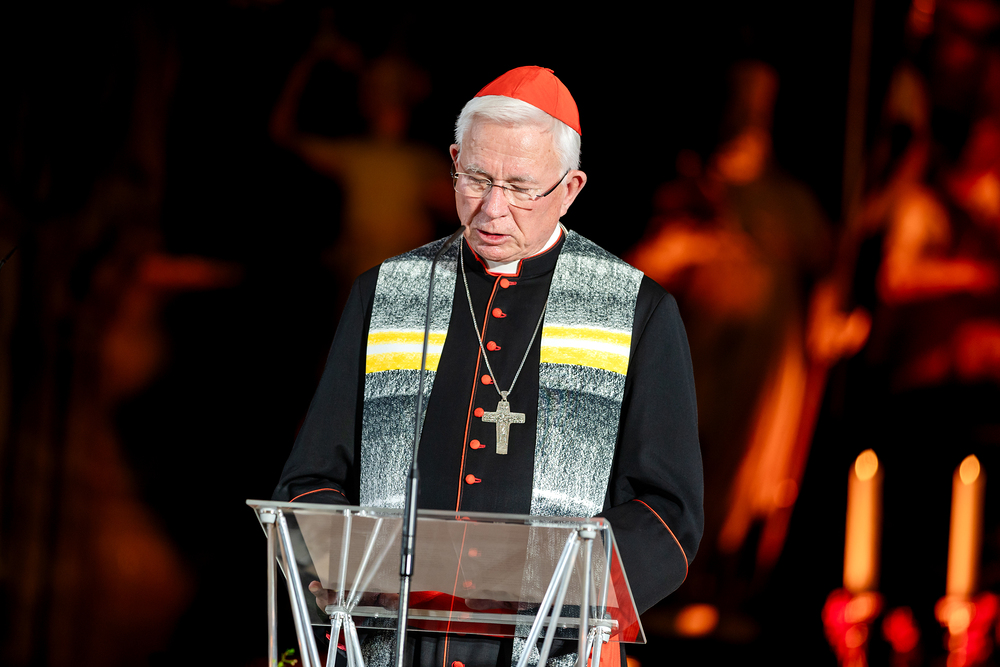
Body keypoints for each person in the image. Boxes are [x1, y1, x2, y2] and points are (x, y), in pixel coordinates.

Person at [274, 66, 703, 667]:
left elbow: (669, 513)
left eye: (521, 188)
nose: (492, 210)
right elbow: (309, 480)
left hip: (547, 647)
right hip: (394, 645)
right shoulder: (386, 293)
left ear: (571, 188)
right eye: (476, 179)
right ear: (454, 161)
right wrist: (340, 567)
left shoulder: (637, 311)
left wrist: (574, 597)